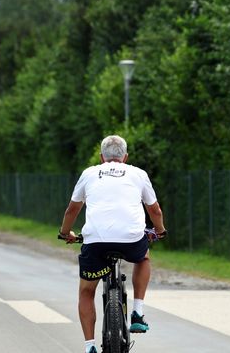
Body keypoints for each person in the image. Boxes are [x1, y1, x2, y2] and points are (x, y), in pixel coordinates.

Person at [59, 135, 167, 353]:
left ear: (101, 157)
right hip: (131, 240)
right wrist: (160, 230)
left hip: (95, 242)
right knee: (143, 257)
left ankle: (90, 347)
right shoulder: (138, 174)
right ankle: (137, 312)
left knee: (86, 292)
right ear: (125, 157)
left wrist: (65, 233)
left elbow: (72, 209)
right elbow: (154, 210)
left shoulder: (89, 173)